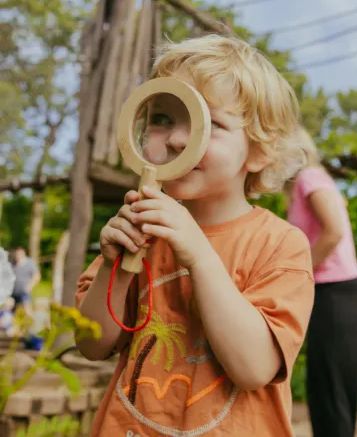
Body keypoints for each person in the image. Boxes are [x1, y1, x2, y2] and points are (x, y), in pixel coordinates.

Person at [76, 35, 315, 436]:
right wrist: (114, 270)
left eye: (212, 123)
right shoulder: (142, 227)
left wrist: (200, 256)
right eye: (162, 119)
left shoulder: (280, 244)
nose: (176, 139)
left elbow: (254, 368)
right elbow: (92, 344)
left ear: (259, 151)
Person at [286, 128, 357, 437]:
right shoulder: (301, 187)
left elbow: (333, 231)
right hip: (327, 293)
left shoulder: (310, 177)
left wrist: (296, 274)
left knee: (332, 389)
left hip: (337, 293)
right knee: (324, 386)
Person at [11, 247, 41, 315]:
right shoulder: (12, 263)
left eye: (19, 254)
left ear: (23, 254)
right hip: (13, 292)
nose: (17, 256)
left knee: (27, 308)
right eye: (16, 254)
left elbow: (37, 276)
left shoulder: (29, 263)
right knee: (11, 310)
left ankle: (30, 323)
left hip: (24, 291)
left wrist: (29, 287)